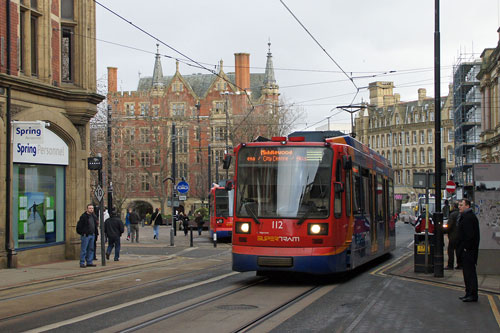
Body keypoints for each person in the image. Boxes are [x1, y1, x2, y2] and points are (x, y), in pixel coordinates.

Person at [457, 199, 480, 302]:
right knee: (467, 273)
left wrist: (465, 248)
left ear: (467, 206)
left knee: (470, 273)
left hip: (469, 251)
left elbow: (469, 236)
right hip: (467, 250)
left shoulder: (468, 218)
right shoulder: (466, 217)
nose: (459, 207)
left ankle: (472, 294)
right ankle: (468, 293)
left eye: (461, 205)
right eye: (459, 205)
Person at [444, 202, 460, 270]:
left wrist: (445, 231)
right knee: (459, 250)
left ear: (453, 207)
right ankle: (460, 264)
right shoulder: (461, 214)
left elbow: (449, 225)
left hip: (453, 235)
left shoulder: (452, 214)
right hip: (460, 235)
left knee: (450, 250)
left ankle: (450, 265)